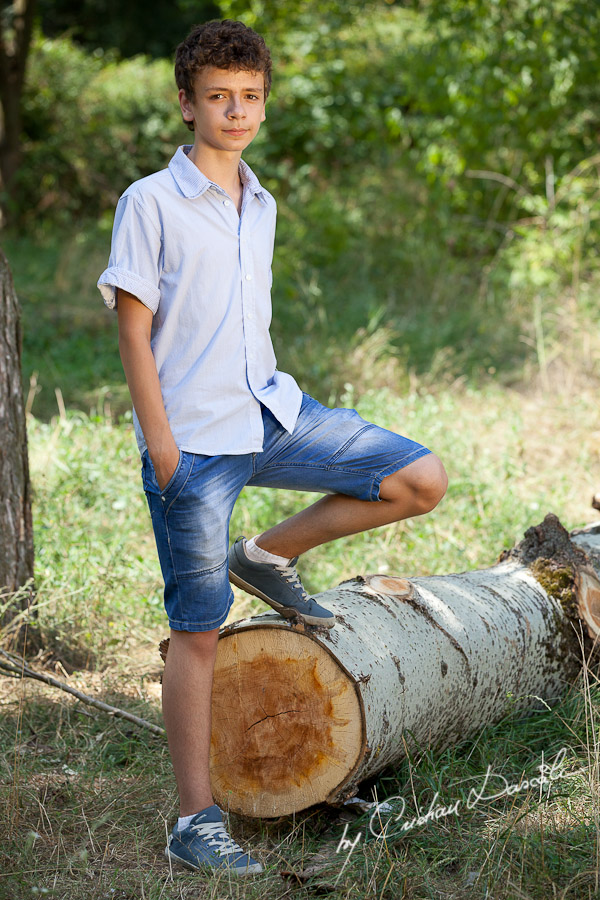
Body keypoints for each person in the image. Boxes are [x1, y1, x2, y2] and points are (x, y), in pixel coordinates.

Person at [97, 18, 447, 877]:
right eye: (218, 97)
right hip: (195, 445)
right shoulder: (151, 202)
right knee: (200, 629)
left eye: (250, 96)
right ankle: (194, 820)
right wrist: (166, 451)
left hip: (271, 414)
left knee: (417, 477)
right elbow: (134, 338)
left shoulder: (263, 200)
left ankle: (268, 551)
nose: (236, 111)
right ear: (187, 104)